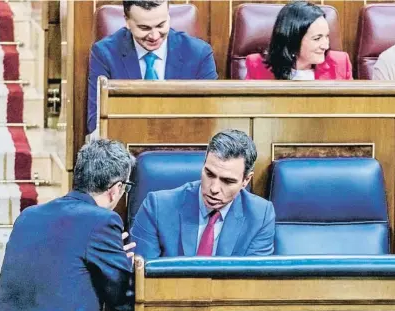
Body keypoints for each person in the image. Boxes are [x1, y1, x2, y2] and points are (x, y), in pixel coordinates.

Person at [0, 139, 136, 311]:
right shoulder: (103, 221)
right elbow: (121, 295)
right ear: (116, 189)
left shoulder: (28, 216)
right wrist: (122, 265)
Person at [131, 129, 275, 259]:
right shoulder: (157, 207)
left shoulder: (260, 216)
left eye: (227, 181)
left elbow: (252, 282)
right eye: (209, 174)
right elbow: (142, 277)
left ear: (246, 180)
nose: (214, 188)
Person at [87, 0, 218, 134]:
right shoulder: (104, 53)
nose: (154, 36)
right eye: (144, 28)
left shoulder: (200, 53)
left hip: (183, 147)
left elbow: (210, 121)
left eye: (161, 25)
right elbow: (95, 122)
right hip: (124, 147)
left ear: (168, 15)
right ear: (127, 20)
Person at [245, 1, 352, 80]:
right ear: (293, 40)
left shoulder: (340, 63)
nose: (325, 46)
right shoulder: (256, 66)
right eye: (317, 38)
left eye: (327, 36)